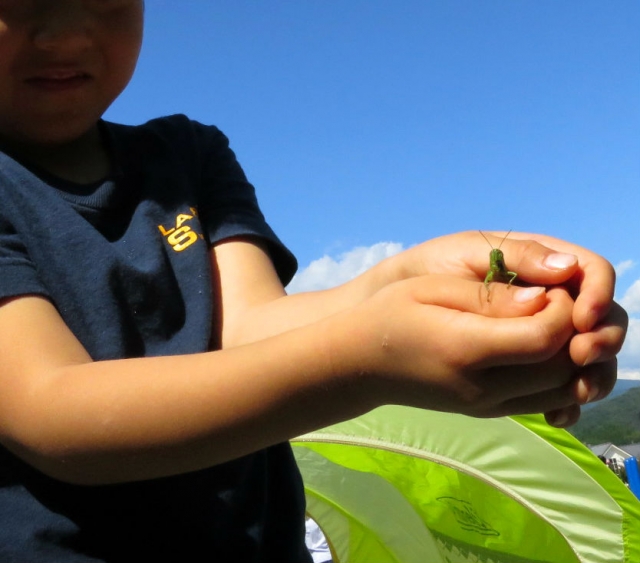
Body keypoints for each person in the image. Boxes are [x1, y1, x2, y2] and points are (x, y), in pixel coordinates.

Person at [0, 1, 627, 562]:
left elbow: (253, 328)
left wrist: (401, 277)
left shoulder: (188, 155)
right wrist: (370, 361)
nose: (65, 31)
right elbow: (55, 411)